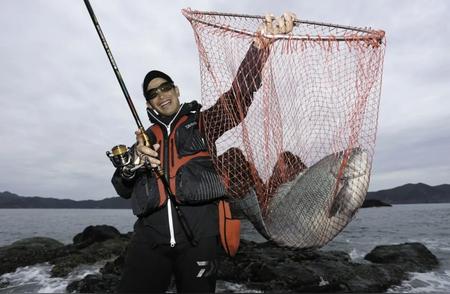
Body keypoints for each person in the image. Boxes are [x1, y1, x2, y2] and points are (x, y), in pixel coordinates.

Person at [111, 13, 296, 293]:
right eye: (153, 93)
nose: (161, 95)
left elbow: (238, 99)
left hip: (200, 239)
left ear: (176, 90)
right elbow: (122, 188)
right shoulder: (144, 139)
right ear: (149, 103)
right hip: (149, 240)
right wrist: (130, 168)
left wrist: (260, 47)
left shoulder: (204, 123)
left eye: (165, 87)